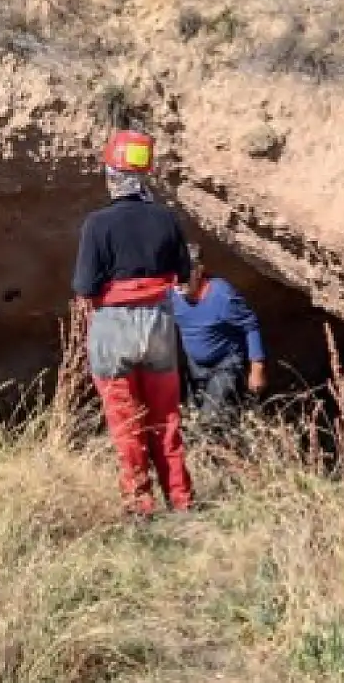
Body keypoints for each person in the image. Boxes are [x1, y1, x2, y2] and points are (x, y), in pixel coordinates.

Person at [72, 129, 195, 516]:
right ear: (145, 174)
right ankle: (181, 500)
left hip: (114, 327)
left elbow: (84, 285)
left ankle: (140, 505)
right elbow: (186, 275)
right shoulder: (167, 219)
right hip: (158, 325)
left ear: (111, 176)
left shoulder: (97, 224)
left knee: (126, 423)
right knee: (166, 418)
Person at [171, 243, 268, 439]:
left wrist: (257, 369)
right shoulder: (172, 294)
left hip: (225, 365)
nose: (178, 281)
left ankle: (216, 456)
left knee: (209, 420)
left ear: (198, 271)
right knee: (192, 416)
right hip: (195, 368)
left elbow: (250, 325)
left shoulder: (222, 297)